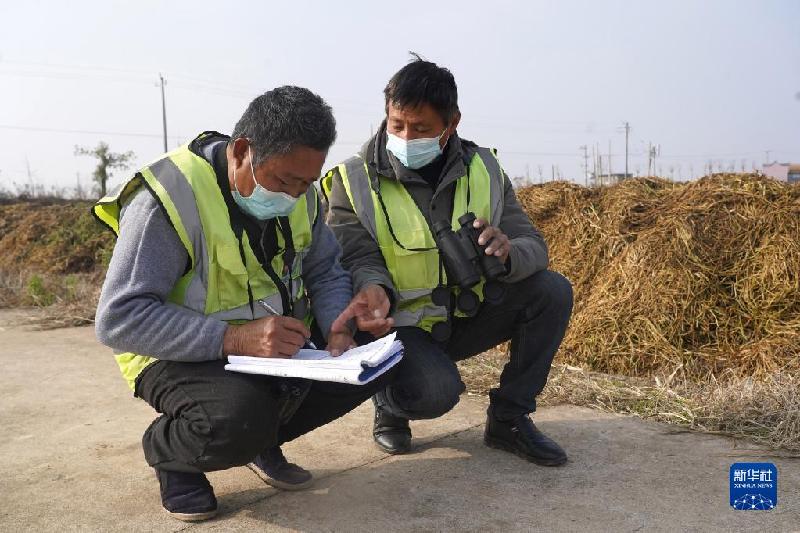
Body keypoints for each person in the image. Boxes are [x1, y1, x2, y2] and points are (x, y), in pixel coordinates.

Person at [94, 86, 393, 522]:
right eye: (283, 181)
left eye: (306, 183)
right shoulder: (168, 198)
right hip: (177, 354)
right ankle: (173, 454)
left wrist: (337, 324)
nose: (293, 196)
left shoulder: (303, 194)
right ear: (240, 153)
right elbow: (119, 318)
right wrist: (233, 337)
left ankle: (257, 440)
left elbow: (325, 270)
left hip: (267, 351)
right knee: (234, 418)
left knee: (366, 364)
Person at [322, 56, 573, 466]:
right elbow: (355, 253)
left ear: (451, 123)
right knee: (435, 394)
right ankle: (389, 402)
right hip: (400, 326)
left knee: (552, 290)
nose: (406, 136)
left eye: (421, 128)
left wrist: (508, 252)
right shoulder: (352, 180)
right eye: (396, 125)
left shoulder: (486, 168)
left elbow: (534, 245)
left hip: (468, 313)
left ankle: (509, 419)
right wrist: (374, 288)